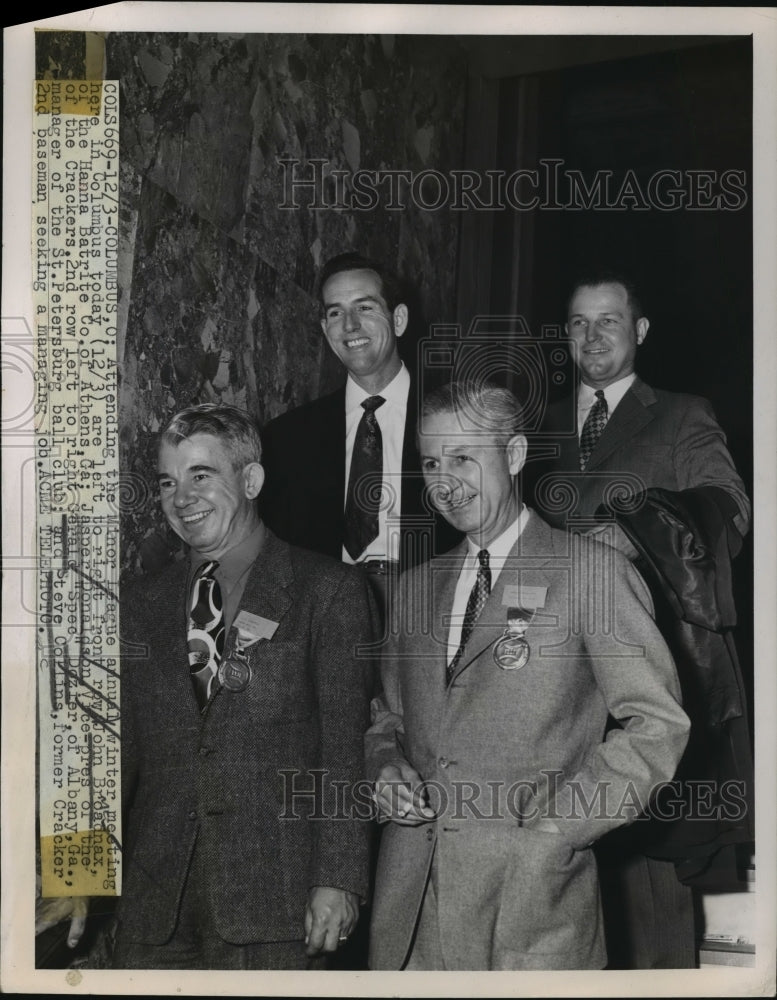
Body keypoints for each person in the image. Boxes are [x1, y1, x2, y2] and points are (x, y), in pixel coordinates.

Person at [365, 379, 690, 971]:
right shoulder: (412, 588)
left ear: (513, 456)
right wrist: (384, 763)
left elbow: (658, 726)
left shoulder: (591, 572)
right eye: (432, 462)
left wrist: (560, 830)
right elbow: (387, 715)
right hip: (410, 919)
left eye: (464, 457)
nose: (444, 481)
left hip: (530, 912)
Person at [528, 271, 752, 969]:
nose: (591, 337)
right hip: (544, 680)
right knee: (550, 869)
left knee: (648, 877)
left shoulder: (682, 414)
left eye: (608, 322)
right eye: (576, 323)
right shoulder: (531, 431)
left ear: (640, 332)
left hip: (645, 676)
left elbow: (729, 511)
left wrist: (631, 535)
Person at [107, 403, 376, 969]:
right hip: (154, 913)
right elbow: (110, 750)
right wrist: (73, 876)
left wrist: (339, 879)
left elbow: (345, 751)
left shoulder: (328, 591)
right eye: (167, 482)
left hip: (281, 906)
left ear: (250, 479)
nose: (181, 498)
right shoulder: (138, 604)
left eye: (201, 475)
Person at [260, 251, 460, 607]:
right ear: (325, 330)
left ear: (398, 320)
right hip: (324, 622)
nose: (350, 325)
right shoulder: (287, 438)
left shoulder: (458, 422)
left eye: (365, 308)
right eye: (335, 312)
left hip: (431, 615)